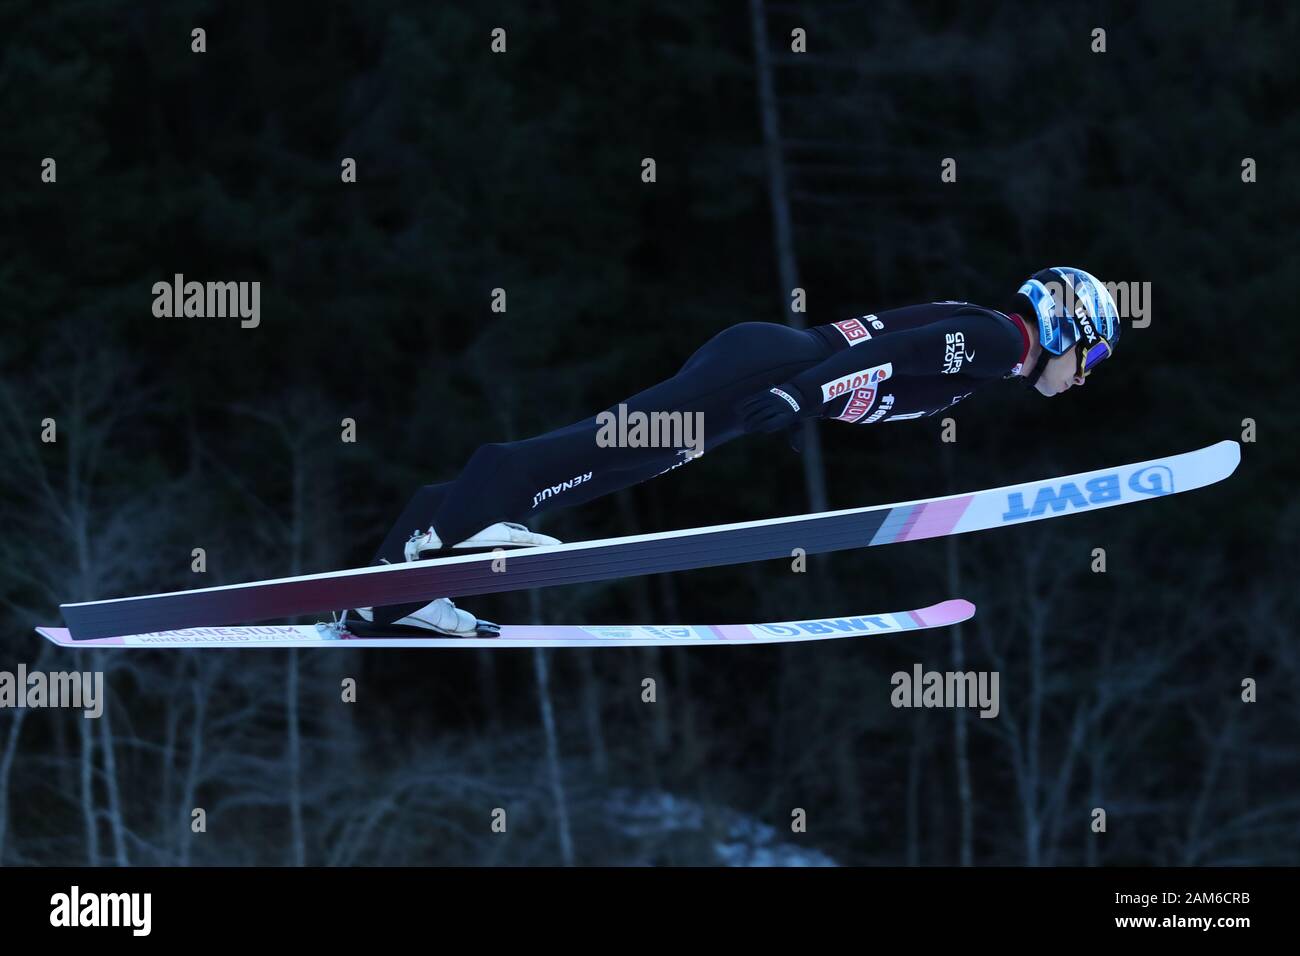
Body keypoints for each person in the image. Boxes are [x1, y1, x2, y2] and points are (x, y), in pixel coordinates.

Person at [356, 266, 1122, 635]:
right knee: (609, 451)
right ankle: (444, 544)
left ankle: (384, 591)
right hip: (771, 368)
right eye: (1092, 360)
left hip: (768, 361)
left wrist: (806, 393)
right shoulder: (996, 341)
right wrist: (803, 395)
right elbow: (902, 353)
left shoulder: (992, 340)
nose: (1085, 378)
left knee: (628, 455)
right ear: (1069, 330)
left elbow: (894, 350)